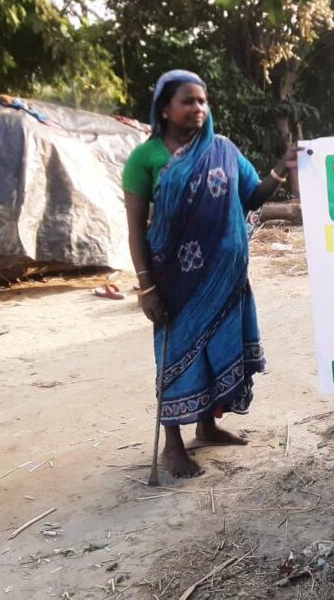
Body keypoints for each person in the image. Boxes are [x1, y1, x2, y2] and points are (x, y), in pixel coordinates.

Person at [123, 69, 297, 478]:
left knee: (218, 349)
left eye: (202, 101)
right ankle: (173, 446)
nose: (198, 108)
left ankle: (208, 424)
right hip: (175, 284)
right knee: (177, 357)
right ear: (165, 109)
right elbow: (134, 229)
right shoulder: (145, 158)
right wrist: (146, 286)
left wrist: (279, 169)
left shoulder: (223, 148)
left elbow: (251, 197)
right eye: (188, 101)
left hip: (226, 281)